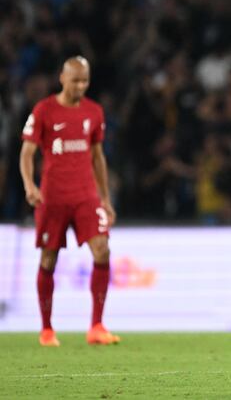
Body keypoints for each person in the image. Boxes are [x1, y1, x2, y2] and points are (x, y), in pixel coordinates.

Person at [20, 56, 120, 347]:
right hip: (53, 196)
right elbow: (27, 152)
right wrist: (29, 185)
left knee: (102, 250)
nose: (80, 86)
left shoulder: (94, 112)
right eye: (75, 80)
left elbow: (98, 157)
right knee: (49, 258)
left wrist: (105, 198)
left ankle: (97, 326)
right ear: (62, 78)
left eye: (85, 81)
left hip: (86, 194)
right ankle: (47, 329)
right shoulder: (44, 110)